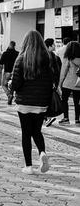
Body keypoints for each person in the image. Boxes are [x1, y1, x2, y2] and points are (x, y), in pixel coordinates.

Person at [10, 30, 53, 174]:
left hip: (24, 103)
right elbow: (49, 83)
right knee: (37, 131)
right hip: (41, 103)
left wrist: (11, 84)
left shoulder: (21, 59)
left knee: (26, 133)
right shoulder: (46, 59)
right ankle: (42, 153)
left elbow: (16, 84)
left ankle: (28, 166)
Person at [58, 41, 80, 125]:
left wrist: (60, 83)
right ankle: (77, 120)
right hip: (78, 84)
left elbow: (63, 72)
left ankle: (66, 118)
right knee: (77, 102)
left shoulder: (68, 57)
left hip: (68, 83)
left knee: (64, 100)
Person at [44, 38, 62, 127]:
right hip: (51, 83)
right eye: (53, 44)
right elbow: (57, 72)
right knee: (48, 100)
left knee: (45, 101)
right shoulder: (54, 57)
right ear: (49, 46)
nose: (55, 46)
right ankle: (47, 117)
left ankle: (46, 117)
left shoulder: (42, 56)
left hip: (45, 84)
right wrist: (56, 83)